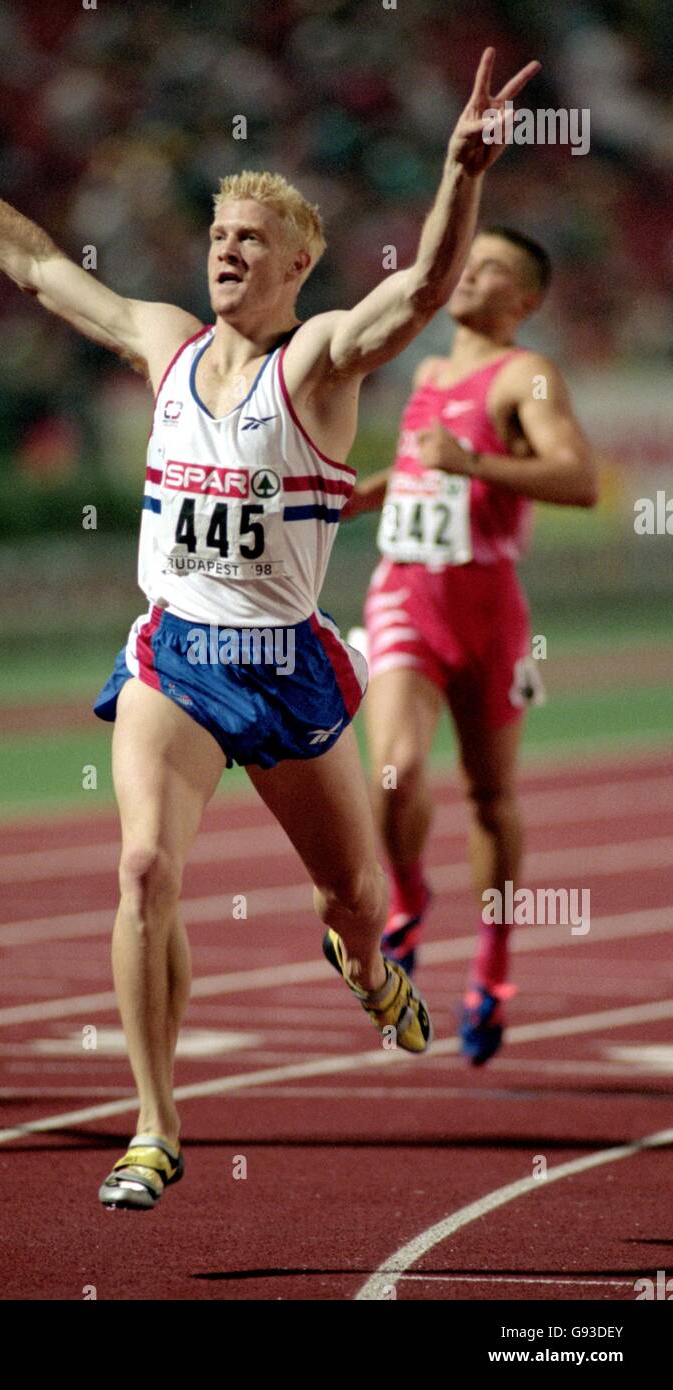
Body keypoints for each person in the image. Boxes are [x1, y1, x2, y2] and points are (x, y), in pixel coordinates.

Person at [0, 42, 539, 1207]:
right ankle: (155, 1126)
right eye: (218, 234)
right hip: (175, 654)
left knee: (353, 897)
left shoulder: (317, 363)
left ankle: (369, 970)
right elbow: (34, 265)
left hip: (286, 665)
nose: (226, 250)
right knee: (141, 869)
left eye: (251, 240)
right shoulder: (165, 341)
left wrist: (462, 170)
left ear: (298, 264)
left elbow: (424, 290)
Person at [342, 227, 597, 1065]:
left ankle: (492, 966)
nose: (470, 274)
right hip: (406, 599)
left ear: (524, 299)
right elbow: (425, 470)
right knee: (396, 770)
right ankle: (409, 896)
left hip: (489, 614)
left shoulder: (527, 375)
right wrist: (360, 496)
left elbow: (579, 479)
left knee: (490, 797)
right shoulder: (425, 374)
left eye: (491, 269)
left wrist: (475, 464)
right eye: (469, 261)